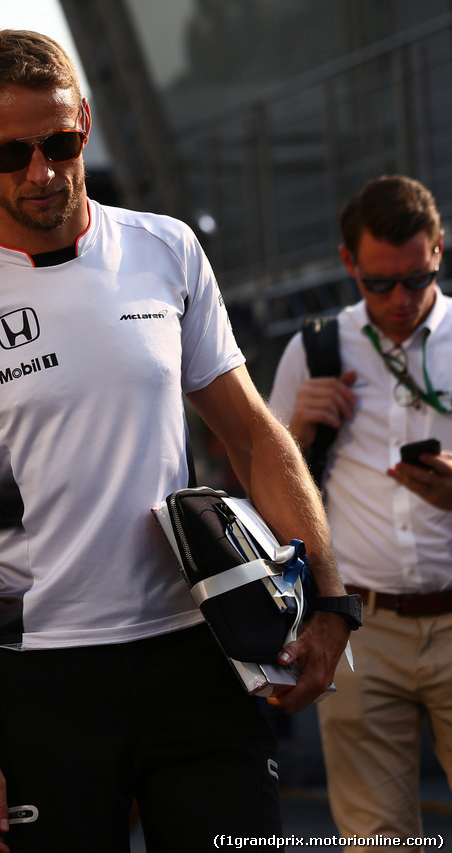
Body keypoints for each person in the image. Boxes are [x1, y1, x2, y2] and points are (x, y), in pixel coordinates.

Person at [0, 29, 356, 852]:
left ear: (87, 122)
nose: (42, 173)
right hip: (42, 676)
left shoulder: (165, 247)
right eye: (12, 154)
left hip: (196, 653)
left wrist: (329, 602)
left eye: (61, 143)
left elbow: (251, 437)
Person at [269, 174, 451, 848]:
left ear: (437, 247)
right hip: (361, 628)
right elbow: (271, 496)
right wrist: (297, 432)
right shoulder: (315, 351)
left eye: (418, 277)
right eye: (380, 283)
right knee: (377, 840)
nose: (401, 299)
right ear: (350, 264)